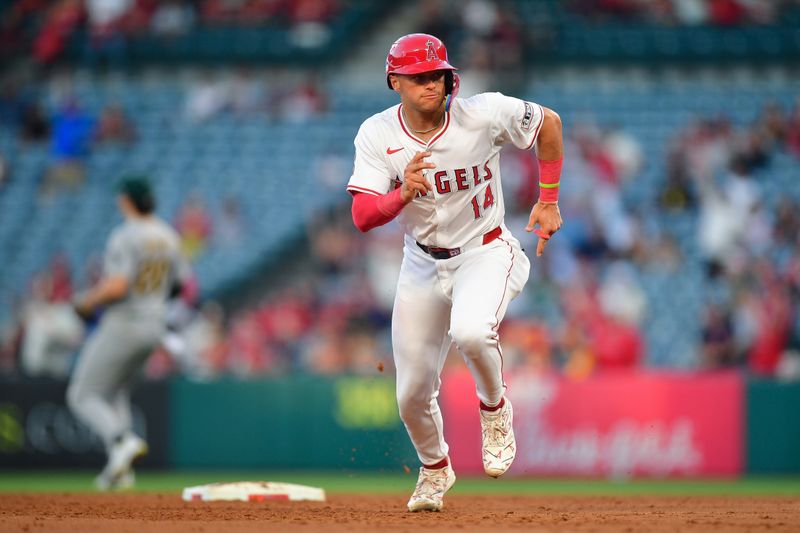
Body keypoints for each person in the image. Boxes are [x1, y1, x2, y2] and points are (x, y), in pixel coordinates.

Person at [346, 33, 563, 511]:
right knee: (410, 394)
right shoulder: (377, 134)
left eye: (437, 75)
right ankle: (434, 469)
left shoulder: (482, 113)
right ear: (395, 82)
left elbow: (549, 123)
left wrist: (548, 200)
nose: (431, 84)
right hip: (421, 262)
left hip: (485, 250)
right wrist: (401, 193)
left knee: (470, 331)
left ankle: (494, 408)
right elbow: (362, 216)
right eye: (419, 77)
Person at [67, 177, 188, 491]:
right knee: (117, 391)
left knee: (82, 394)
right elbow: (178, 286)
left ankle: (120, 440)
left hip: (125, 323)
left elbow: (119, 284)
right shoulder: (169, 235)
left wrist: (87, 300)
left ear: (125, 201)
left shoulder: (126, 235)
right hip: (153, 327)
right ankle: (121, 471)